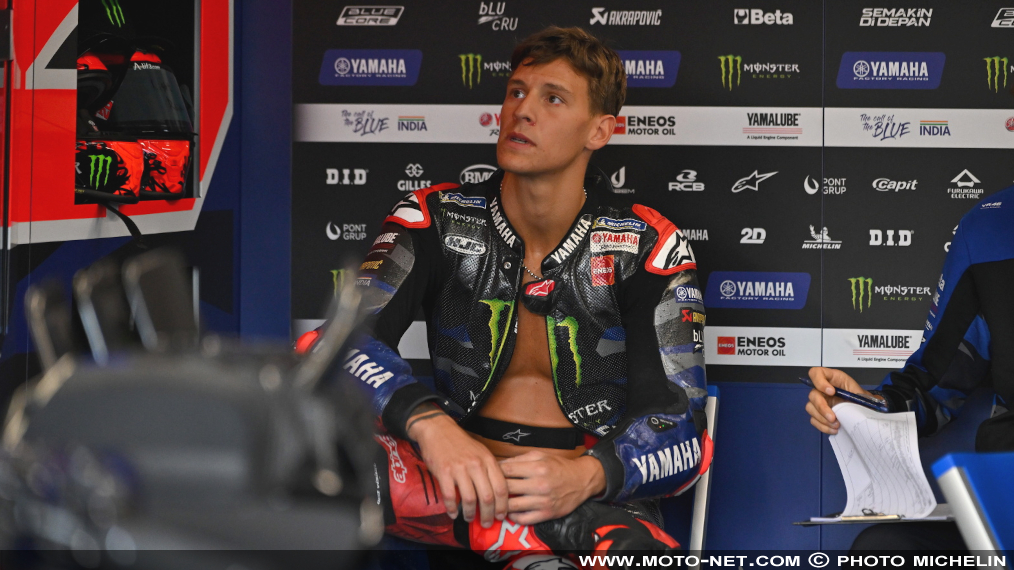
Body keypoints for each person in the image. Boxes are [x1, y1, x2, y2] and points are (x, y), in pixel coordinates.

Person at [299, 27, 711, 568]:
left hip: (584, 497)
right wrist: (430, 425)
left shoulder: (649, 245)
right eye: (516, 91)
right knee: (319, 449)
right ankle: (526, 533)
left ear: (599, 130)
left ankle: (527, 531)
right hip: (453, 484)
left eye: (553, 98)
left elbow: (683, 428)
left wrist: (586, 476)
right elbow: (335, 346)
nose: (523, 111)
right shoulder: (432, 218)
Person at [804, 184, 1014, 552]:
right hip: (1006, 506)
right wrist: (863, 405)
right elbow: (937, 379)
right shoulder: (989, 226)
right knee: (882, 549)